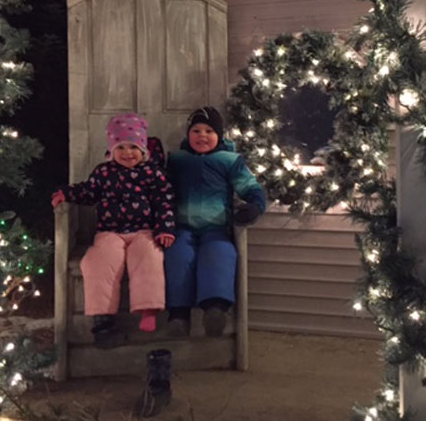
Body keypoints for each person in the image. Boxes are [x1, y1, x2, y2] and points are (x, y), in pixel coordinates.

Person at [51, 112, 176, 335]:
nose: (127, 153)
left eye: (133, 147)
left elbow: (164, 201)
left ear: (143, 150)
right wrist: (67, 193)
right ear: (111, 150)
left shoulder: (153, 173)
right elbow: (89, 192)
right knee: (98, 261)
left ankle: (148, 308)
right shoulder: (103, 172)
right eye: (121, 147)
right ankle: (103, 319)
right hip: (110, 232)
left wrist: (165, 228)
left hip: (144, 231)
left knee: (149, 256)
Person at [165, 106, 266, 337]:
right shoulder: (178, 160)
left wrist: (255, 205)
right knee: (178, 255)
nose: (202, 136)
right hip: (182, 227)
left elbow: (249, 186)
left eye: (209, 131)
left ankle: (215, 309)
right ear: (188, 134)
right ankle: (178, 314)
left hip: (216, 227)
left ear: (219, 135)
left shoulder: (229, 161)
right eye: (196, 131)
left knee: (220, 254)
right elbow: (163, 187)